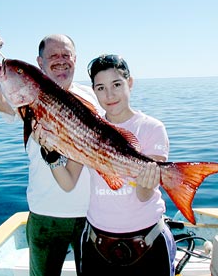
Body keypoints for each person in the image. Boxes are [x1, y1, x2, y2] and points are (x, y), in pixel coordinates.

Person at [0, 26, 103, 276]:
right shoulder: (26, 94)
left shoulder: (92, 96)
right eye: (53, 56)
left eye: (66, 55)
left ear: (75, 60)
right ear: (40, 62)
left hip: (93, 215)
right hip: (45, 215)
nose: (60, 60)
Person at [37, 54, 176, 276]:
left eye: (117, 84)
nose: (109, 95)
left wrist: (147, 182)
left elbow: (143, 195)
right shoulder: (86, 126)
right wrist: (51, 156)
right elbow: (68, 182)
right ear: (93, 91)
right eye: (100, 88)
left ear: (130, 83)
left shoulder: (152, 128)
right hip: (97, 243)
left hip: (147, 242)